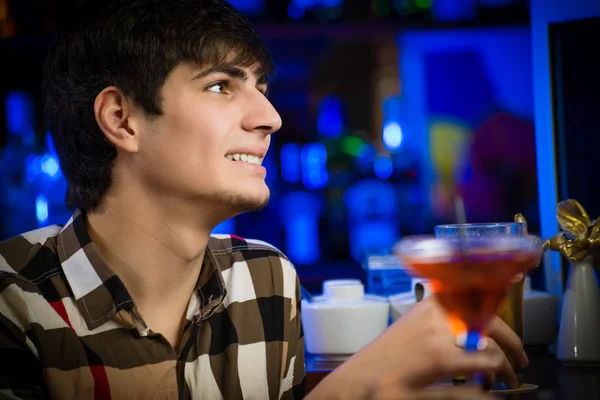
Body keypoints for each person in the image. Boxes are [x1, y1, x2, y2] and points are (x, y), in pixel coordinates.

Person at [0, 1, 527, 399]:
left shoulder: (266, 280)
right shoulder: (13, 303)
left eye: (261, 86)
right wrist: (356, 384)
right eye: (220, 87)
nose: (270, 118)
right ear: (121, 119)